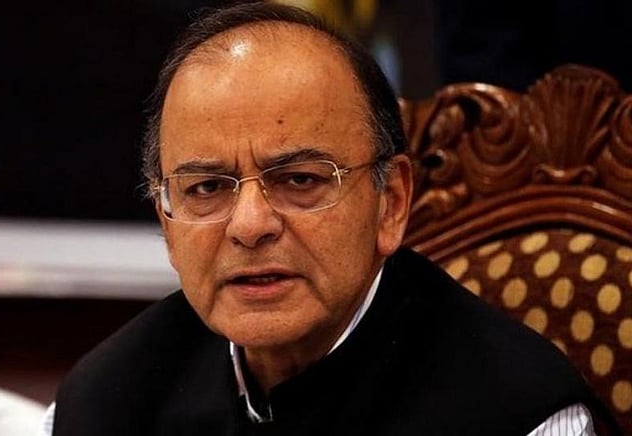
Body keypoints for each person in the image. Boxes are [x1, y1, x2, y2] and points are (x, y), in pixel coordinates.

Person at [41, 2, 621, 435]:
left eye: (300, 180)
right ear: (167, 223)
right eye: (207, 188)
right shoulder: (98, 402)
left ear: (391, 202)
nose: (250, 225)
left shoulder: (518, 416)